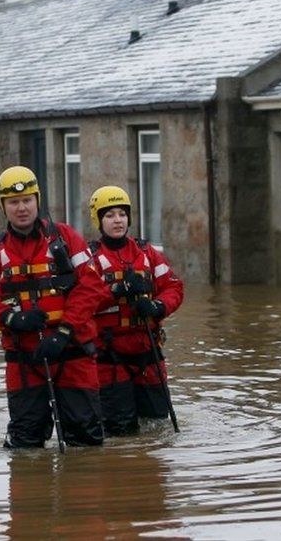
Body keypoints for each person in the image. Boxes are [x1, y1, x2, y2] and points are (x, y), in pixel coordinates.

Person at [0, 166, 109, 448]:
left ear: (37, 200)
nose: (22, 208)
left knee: (86, 438)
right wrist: (10, 317)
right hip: (24, 357)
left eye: (27, 200)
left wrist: (64, 331)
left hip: (72, 351)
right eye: (14, 202)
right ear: (3, 206)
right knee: (25, 441)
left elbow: (92, 286)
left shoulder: (65, 238)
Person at [87, 185, 183, 435]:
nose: (117, 220)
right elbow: (82, 302)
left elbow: (173, 287)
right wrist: (116, 291)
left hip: (148, 352)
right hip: (111, 358)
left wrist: (156, 306)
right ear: (98, 219)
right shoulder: (90, 259)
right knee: (119, 431)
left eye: (122, 214)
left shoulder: (146, 252)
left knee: (158, 425)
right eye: (109, 215)